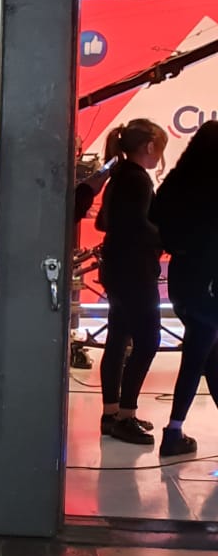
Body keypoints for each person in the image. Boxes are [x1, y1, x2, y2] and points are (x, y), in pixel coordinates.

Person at [96, 118, 167, 445]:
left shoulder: (118, 177)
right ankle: (126, 414)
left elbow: (103, 222)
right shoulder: (137, 180)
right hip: (135, 272)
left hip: (117, 270)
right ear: (150, 147)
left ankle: (111, 413)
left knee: (118, 338)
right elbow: (138, 225)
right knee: (148, 340)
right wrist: (168, 236)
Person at [152, 119, 218, 458]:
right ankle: (173, 430)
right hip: (209, 280)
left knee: (208, 354)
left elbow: (155, 216)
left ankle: (175, 431)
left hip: (181, 277)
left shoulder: (177, 181)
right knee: (198, 356)